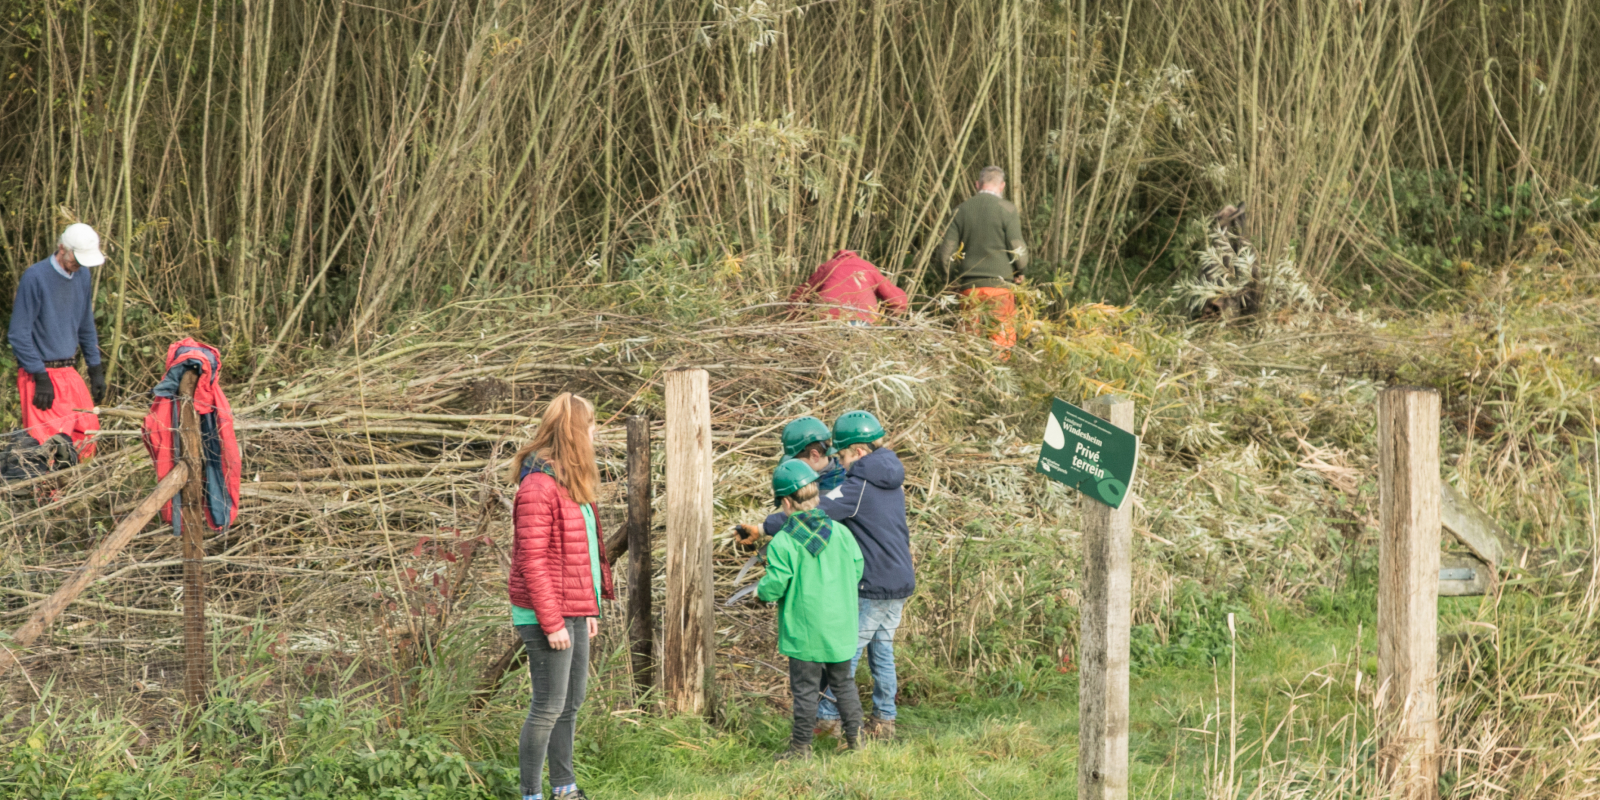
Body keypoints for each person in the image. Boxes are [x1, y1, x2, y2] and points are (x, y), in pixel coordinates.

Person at [507, 393, 614, 800]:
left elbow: (581, 549)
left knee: (572, 701)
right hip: (543, 613)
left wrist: (589, 606)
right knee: (548, 705)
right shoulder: (538, 485)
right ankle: (531, 794)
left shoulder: (571, 481)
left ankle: (564, 788)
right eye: (590, 424)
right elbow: (532, 561)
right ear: (574, 431)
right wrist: (551, 622)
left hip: (573, 606)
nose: (595, 430)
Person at [757, 459, 866, 761]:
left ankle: (800, 749)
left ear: (787, 502)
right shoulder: (842, 534)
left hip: (805, 634)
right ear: (816, 495)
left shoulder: (784, 542)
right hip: (840, 627)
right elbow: (857, 568)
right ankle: (856, 744)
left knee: (805, 691)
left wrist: (760, 591)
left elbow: (775, 584)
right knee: (844, 686)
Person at [814, 410, 914, 740]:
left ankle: (828, 722)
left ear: (858, 451)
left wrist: (764, 527)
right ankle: (885, 721)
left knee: (845, 653)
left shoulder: (858, 486)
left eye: (842, 456)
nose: (840, 464)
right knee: (882, 652)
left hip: (873, 584)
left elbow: (813, 516)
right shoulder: (891, 479)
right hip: (899, 580)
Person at [8, 223, 107, 459]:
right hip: (40, 373)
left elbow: (85, 324)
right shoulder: (35, 276)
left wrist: (95, 368)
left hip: (69, 371)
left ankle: (76, 492)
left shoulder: (82, 275)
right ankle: (48, 496)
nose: (79, 264)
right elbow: (18, 334)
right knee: (49, 446)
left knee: (88, 433)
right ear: (62, 248)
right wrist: (39, 376)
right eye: (76, 258)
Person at [937, 166, 1029, 352]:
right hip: (1000, 288)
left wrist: (949, 281)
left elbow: (945, 253)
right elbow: (1017, 248)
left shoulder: (961, 210)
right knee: (1000, 344)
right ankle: (995, 378)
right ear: (1002, 186)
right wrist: (1021, 271)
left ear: (977, 185)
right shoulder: (1007, 209)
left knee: (971, 345)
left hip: (970, 289)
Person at [734, 416, 846, 547]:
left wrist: (763, 529)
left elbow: (807, 515)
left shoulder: (837, 485)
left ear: (815, 455)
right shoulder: (834, 472)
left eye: (797, 461)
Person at [788, 249, 909, 324]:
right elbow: (898, 301)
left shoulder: (829, 267)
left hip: (830, 320)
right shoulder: (867, 267)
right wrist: (883, 314)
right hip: (863, 321)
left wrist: (794, 320)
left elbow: (798, 297)